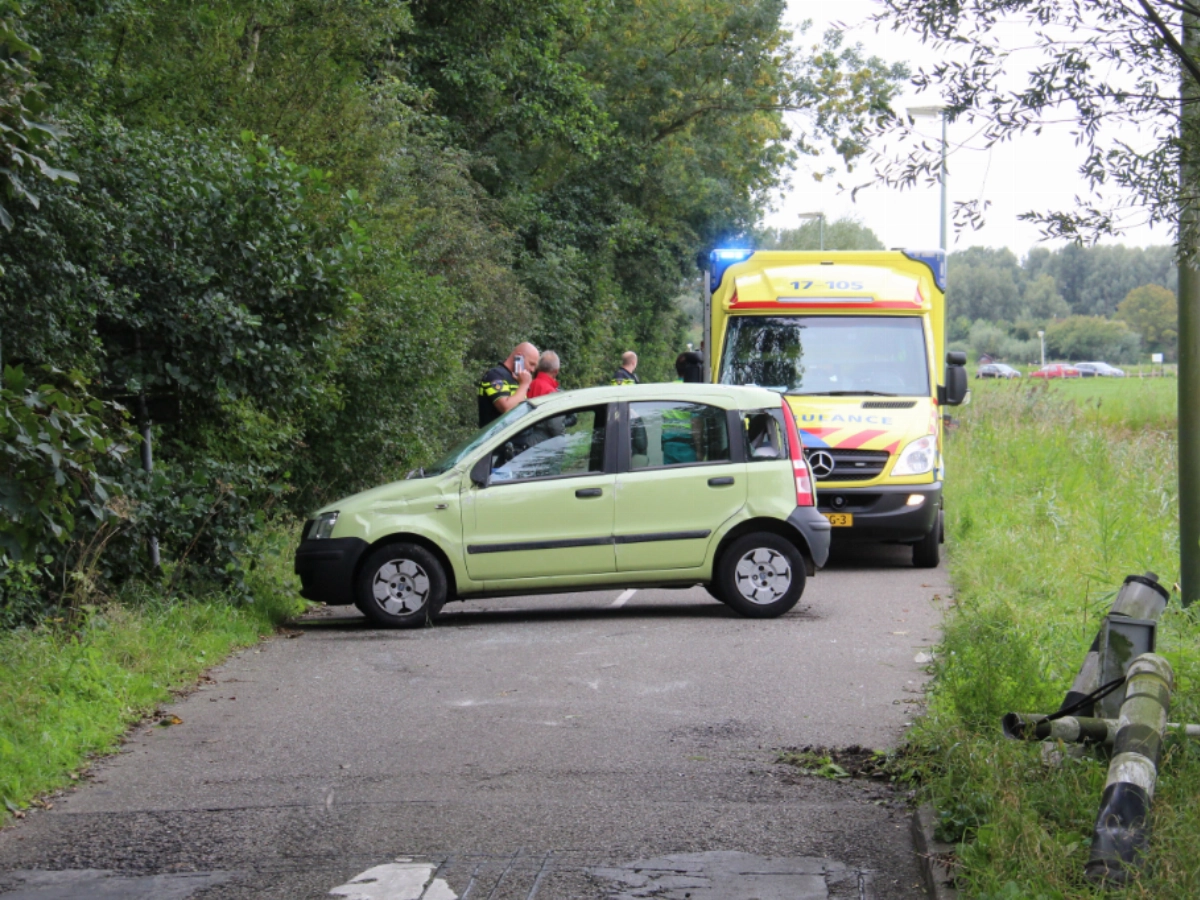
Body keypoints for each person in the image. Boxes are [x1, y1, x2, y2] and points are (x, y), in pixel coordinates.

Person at [477, 342, 538, 427]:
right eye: (531, 364)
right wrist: (524, 385)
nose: (532, 370)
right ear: (519, 357)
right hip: (496, 438)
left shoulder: (518, 380)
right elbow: (507, 408)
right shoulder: (495, 376)